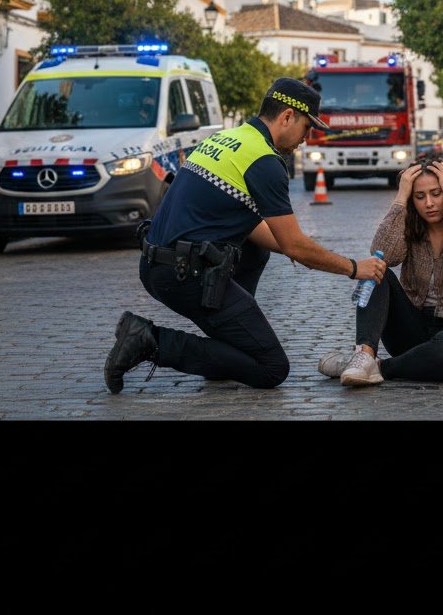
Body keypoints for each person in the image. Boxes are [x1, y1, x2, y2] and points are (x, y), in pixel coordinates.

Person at [102, 77, 387, 393]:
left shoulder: (227, 139)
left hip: (157, 264)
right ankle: (149, 340)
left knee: (256, 251)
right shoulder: (264, 161)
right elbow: (294, 246)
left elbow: (255, 229)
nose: (307, 138)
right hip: (185, 275)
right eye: (307, 127)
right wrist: (353, 267)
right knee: (271, 368)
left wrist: (294, 247)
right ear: (287, 116)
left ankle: (226, 349)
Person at [318, 157, 443, 386]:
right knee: (375, 271)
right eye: (420, 197)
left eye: (437, 193)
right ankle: (364, 354)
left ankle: (378, 367)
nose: (429, 203)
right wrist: (400, 198)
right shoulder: (411, 229)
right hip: (414, 332)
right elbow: (383, 253)